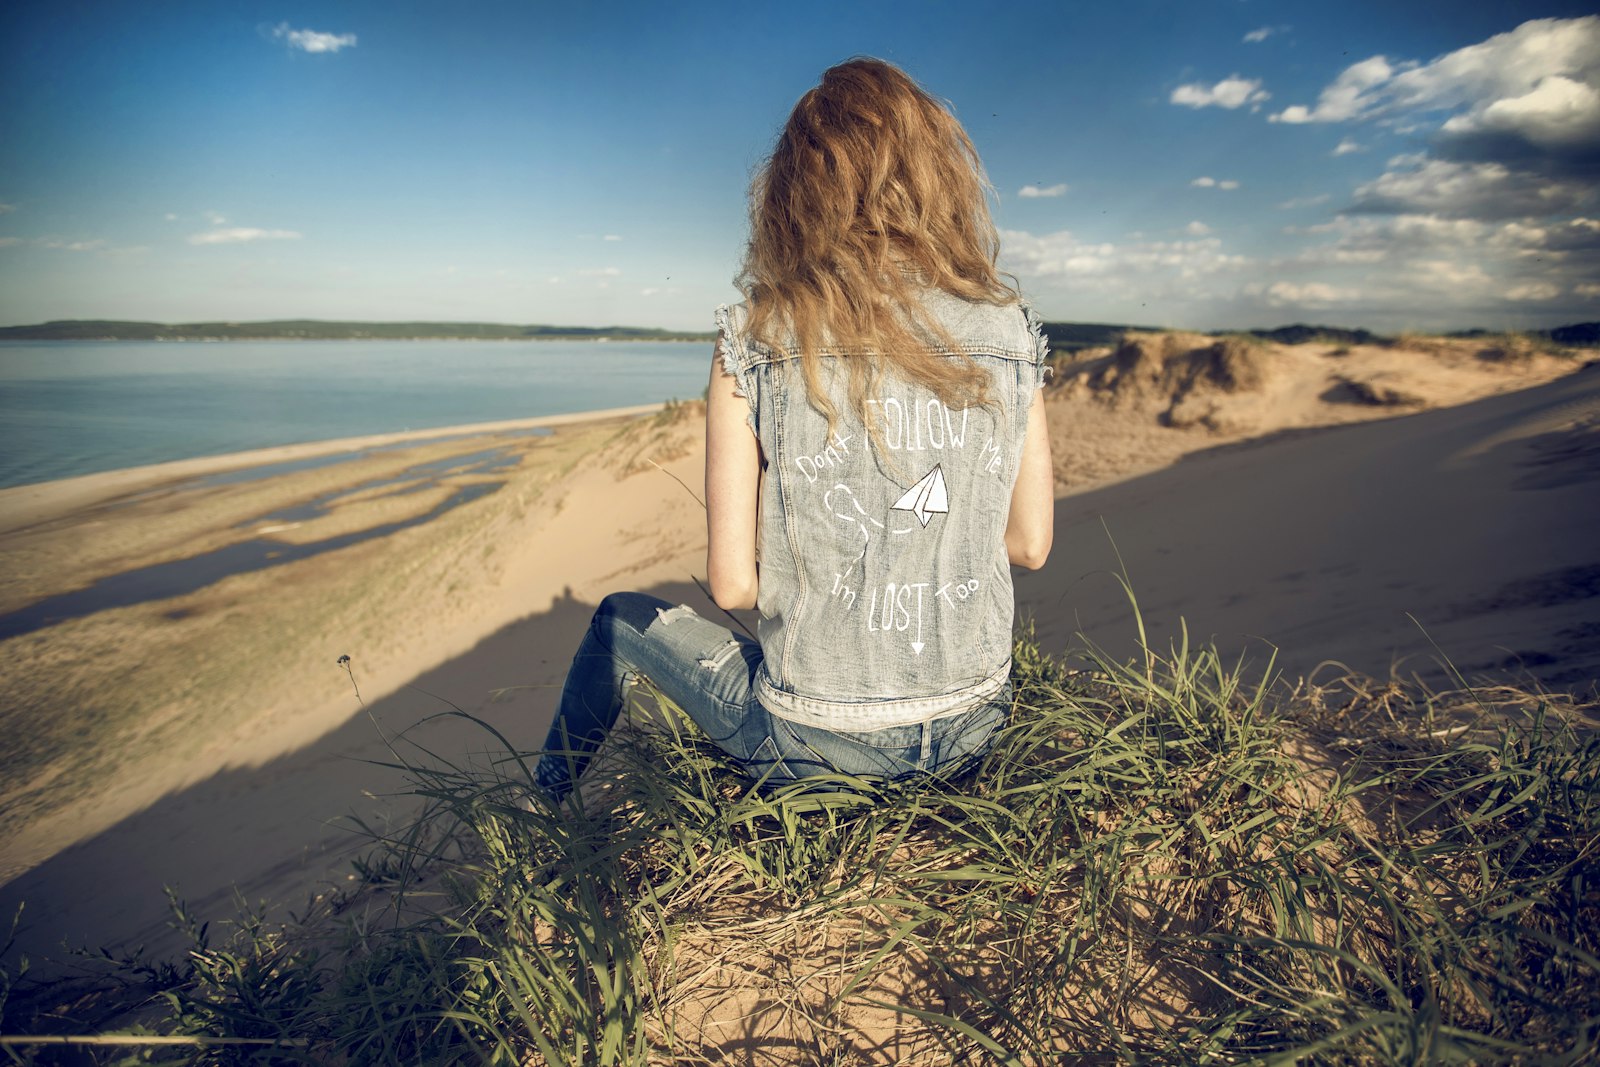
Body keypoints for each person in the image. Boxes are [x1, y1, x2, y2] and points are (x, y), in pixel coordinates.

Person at [534, 57, 1053, 803]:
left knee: (620, 619)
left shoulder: (752, 341)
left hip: (811, 745)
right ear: (941, 176)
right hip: (976, 723)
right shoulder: (1010, 330)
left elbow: (734, 582)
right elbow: (1029, 544)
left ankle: (542, 805)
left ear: (792, 196)